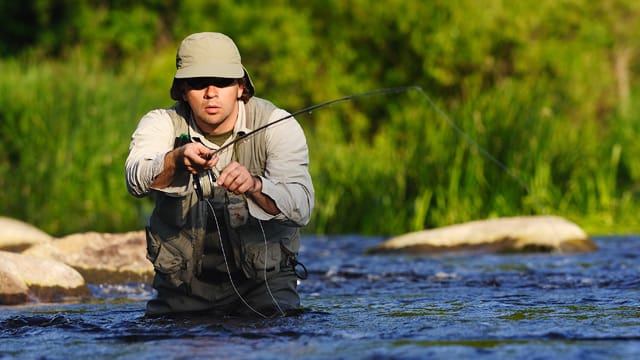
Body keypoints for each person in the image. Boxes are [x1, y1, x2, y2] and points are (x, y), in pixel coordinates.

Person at [125, 32, 314, 317]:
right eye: (199, 83)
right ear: (184, 89)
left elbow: (302, 207)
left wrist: (254, 186)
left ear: (240, 87)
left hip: (264, 285)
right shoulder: (161, 124)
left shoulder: (277, 124)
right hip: (182, 290)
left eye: (223, 82)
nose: (211, 92)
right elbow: (135, 178)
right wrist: (175, 160)